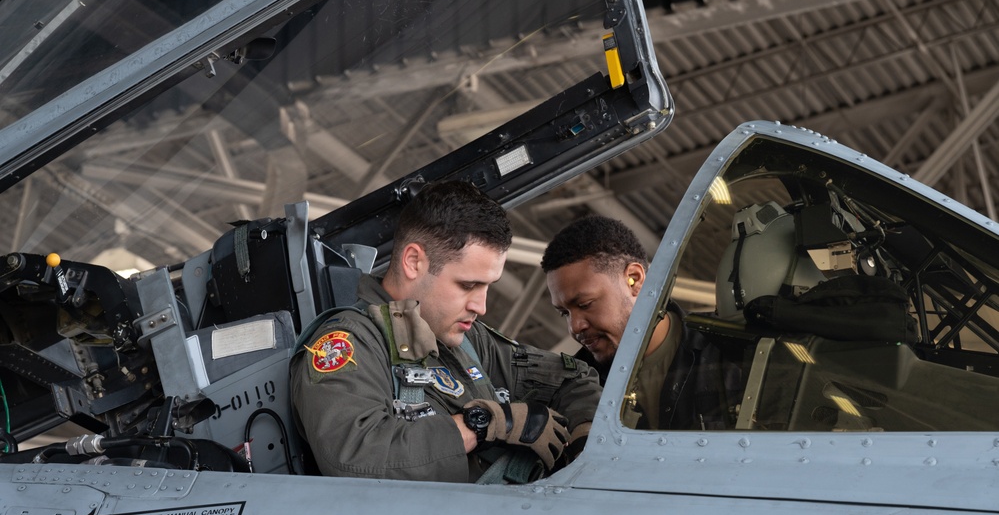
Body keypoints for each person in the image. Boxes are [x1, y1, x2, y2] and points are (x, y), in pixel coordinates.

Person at [291, 181, 599, 482]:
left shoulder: (470, 341)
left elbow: (573, 377)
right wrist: (483, 424)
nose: (481, 306)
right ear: (414, 262)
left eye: (488, 287)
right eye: (468, 285)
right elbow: (356, 457)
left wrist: (584, 442)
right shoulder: (349, 344)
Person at [541, 215, 738, 431]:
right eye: (564, 313)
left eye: (586, 304)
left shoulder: (734, 350)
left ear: (634, 279)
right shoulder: (572, 388)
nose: (575, 326)